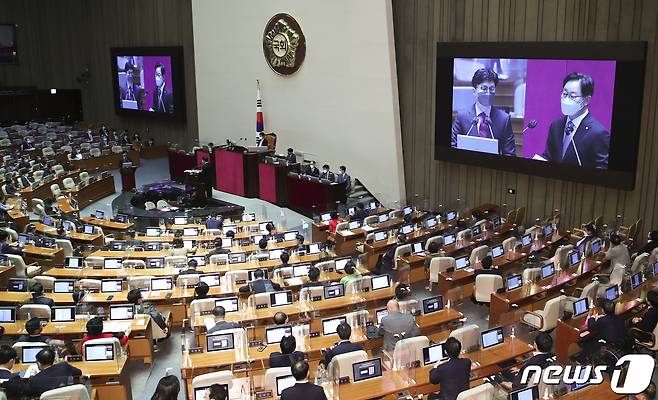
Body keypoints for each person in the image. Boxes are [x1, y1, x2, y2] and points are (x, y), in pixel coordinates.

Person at [541, 72, 610, 168]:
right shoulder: (556, 126)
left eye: (572, 96)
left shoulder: (598, 133)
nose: (566, 99)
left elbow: (602, 169)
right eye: (565, 94)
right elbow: (549, 156)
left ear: (586, 100)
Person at [451, 68, 515, 156]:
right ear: (474, 91)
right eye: (484, 88)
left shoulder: (504, 119)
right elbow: (453, 146)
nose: (488, 93)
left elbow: (509, 154)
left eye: (491, 88)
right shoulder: (462, 116)